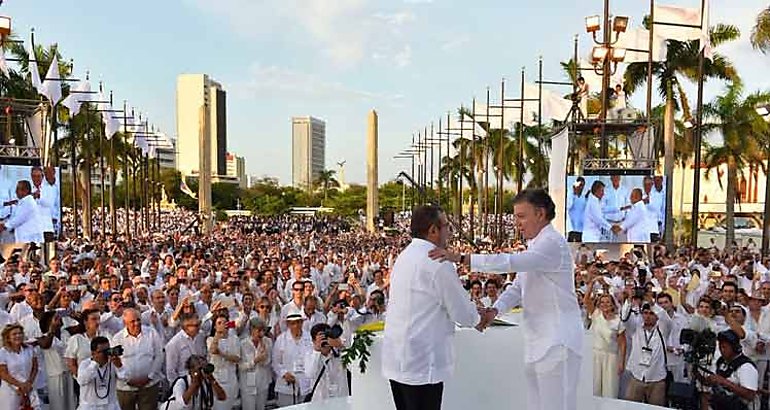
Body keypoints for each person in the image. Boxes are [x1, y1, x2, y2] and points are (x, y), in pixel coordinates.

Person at [430, 189, 583, 410]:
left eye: (522, 216)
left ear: (540, 214)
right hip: (539, 342)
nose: (516, 223)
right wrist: (494, 311)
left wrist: (461, 258)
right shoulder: (537, 244)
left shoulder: (552, 243)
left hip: (557, 341)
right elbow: (519, 286)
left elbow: (509, 262)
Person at [382, 205, 482, 410]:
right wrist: (480, 318)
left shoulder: (405, 256)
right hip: (422, 363)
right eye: (446, 226)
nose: (449, 232)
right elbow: (462, 313)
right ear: (433, 230)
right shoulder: (437, 261)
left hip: (399, 359)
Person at [110, 308, 164, 410]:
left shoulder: (151, 333)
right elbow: (115, 362)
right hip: (125, 388)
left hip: (149, 385)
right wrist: (127, 379)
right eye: (132, 321)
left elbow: (159, 356)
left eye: (138, 320)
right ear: (125, 323)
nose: (137, 323)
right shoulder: (117, 338)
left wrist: (149, 377)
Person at [583, 280, 626, 398]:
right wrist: (591, 284)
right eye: (602, 302)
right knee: (594, 388)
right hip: (595, 356)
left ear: (612, 304)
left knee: (610, 389)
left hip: (611, 358)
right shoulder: (596, 314)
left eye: (608, 302)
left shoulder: (618, 321)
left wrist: (621, 363)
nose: (605, 304)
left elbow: (622, 343)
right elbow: (586, 300)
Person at [700, 329, 758, 409]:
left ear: (735, 348)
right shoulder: (721, 362)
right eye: (720, 347)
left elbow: (750, 395)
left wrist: (724, 382)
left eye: (724, 347)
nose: (722, 350)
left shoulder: (746, 366)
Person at [272, 311, 312, 406]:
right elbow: (275, 362)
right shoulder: (281, 339)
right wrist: (284, 374)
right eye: (293, 323)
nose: (296, 326)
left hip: (305, 382)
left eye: (298, 322)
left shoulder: (309, 337)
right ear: (288, 324)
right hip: (287, 384)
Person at [304, 323, 348, 402]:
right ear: (313, 340)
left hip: (340, 400)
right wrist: (317, 350)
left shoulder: (340, 353)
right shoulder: (309, 355)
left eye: (327, 335)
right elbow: (310, 374)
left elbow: (353, 366)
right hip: (320, 402)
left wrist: (340, 346)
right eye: (321, 336)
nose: (325, 339)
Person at [76, 336, 121, 410]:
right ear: (93, 353)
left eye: (107, 350)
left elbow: (126, 378)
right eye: (102, 351)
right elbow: (81, 381)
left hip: (109, 406)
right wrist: (94, 363)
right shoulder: (85, 364)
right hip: (90, 406)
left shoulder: (113, 363)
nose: (106, 354)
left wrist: (119, 366)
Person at [0, 324, 40, 409]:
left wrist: (29, 383)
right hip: (10, 390)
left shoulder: (29, 349)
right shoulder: (3, 352)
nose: (18, 336)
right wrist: (19, 385)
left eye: (20, 333)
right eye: (14, 334)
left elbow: (35, 367)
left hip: (28, 388)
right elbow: (3, 373)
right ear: (8, 337)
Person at [207, 314, 239, 410]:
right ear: (215, 326)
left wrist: (222, 354)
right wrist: (218, 334)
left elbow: (237, 358)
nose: (222, 325)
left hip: (231, 379)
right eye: (219, 323)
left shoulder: (234, 339)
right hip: (217, 379)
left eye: (224, 323)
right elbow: (213, 350)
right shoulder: (211, 339)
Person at [239, 319, 273, 410]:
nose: (261, 333)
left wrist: (263, 348)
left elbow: (268, 361)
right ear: (252, 329)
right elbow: (241, 366)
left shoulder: (268, 342)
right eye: (259, 330)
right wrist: (254, 361)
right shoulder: (243, 343)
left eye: (263, 330)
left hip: (263, 383)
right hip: (247, 385)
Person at [566, 177, 587, 242]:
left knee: (579, 245)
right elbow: (568, 206)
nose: (581, 187)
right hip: (572, 227)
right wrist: (573, 193)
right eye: (580, 185)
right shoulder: (570, 194)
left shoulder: (583, 196)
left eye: (583, 185)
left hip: (580, 227)